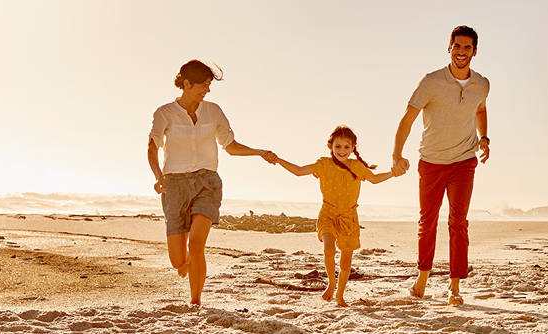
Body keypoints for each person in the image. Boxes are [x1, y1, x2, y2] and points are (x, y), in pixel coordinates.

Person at [147, 59, 277, 306]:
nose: (207, 90)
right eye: (203, 85)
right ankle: (186, 262)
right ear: (187, 83)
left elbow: (231, 146)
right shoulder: (164, 113)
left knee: (197, 244)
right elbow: (152, 148)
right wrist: (158, 176)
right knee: (178, 260)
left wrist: (259, 152)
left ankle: (195, 301)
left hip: (207, 183)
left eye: (209, 85)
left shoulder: (213, 111)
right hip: (175, 185)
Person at [391, 25, 491, 306]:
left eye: (467, 47)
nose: (461, 51)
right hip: (432, 162)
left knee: (458, 222)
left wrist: (484, 137)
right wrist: (396, 155)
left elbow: (481, 108)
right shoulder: (430, 82)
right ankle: (422, 279)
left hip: (464, 161)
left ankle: (454, 286)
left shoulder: (482, 84)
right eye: (457, 46)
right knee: (428, 222)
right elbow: (407, 119)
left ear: (475, 51)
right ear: (449, 47)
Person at [273, 126, 399, 306]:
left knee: (346, 264)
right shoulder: (324, 164)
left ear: (353, 147)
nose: (342, 151)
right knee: (329, 249)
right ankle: (331, 284)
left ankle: (339, 295)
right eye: (338, 146)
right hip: (328, 214)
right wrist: (277, 160)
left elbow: (374, 179)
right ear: (330, 146)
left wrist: (393, 173)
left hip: (349, 218)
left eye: (347, 147)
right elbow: (299, 171)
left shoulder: (357, 167)